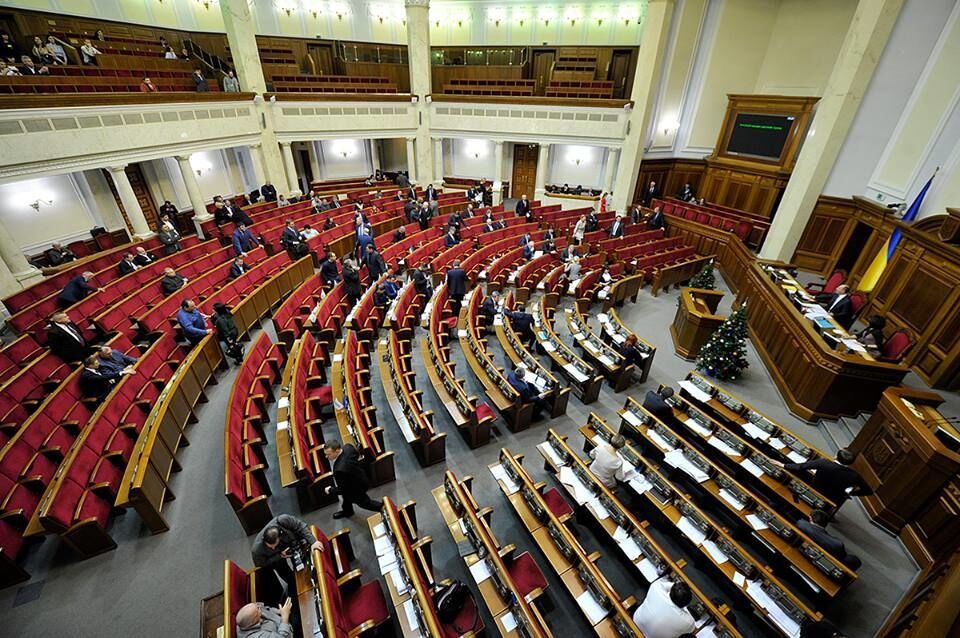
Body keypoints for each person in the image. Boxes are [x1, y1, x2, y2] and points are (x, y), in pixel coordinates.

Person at [251, 514, 325, 605]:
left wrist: (313, 541)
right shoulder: (256, 550)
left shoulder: (283, 520)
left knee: (304, 566)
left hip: (293, 543)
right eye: (271, 547)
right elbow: (261, 564)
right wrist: (280, 556)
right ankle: (295, 593)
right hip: (276, 560)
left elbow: (301, 526)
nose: (273, 548)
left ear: (280, 536)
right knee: (289, 578)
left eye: (275, 545)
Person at [779, 449, 872, 513]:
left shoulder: (824, 463)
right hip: (833, 497)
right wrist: (850, 492)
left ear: (836, 457)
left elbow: (801, 466)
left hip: (815, 489)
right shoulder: (854, 476)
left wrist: (783, 465)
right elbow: (868, 491)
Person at [323, 441, 381, 518]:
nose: (326, 457)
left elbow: (343, 489)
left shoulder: (340, 470)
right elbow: (356, 454)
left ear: (337, 451)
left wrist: (330, 490)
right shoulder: (348, 447)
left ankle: (383, 507)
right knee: (346, 498)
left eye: (328, 454)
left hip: (355, 488)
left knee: (365, 503)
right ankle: (348, 512)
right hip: (360, 476)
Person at [632, 578, 696, 638]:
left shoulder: (656, 588)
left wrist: (678, 587)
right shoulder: (688, 622)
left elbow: (665, 585)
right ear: (686, 604)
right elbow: (692, 629)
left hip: (635, 623)